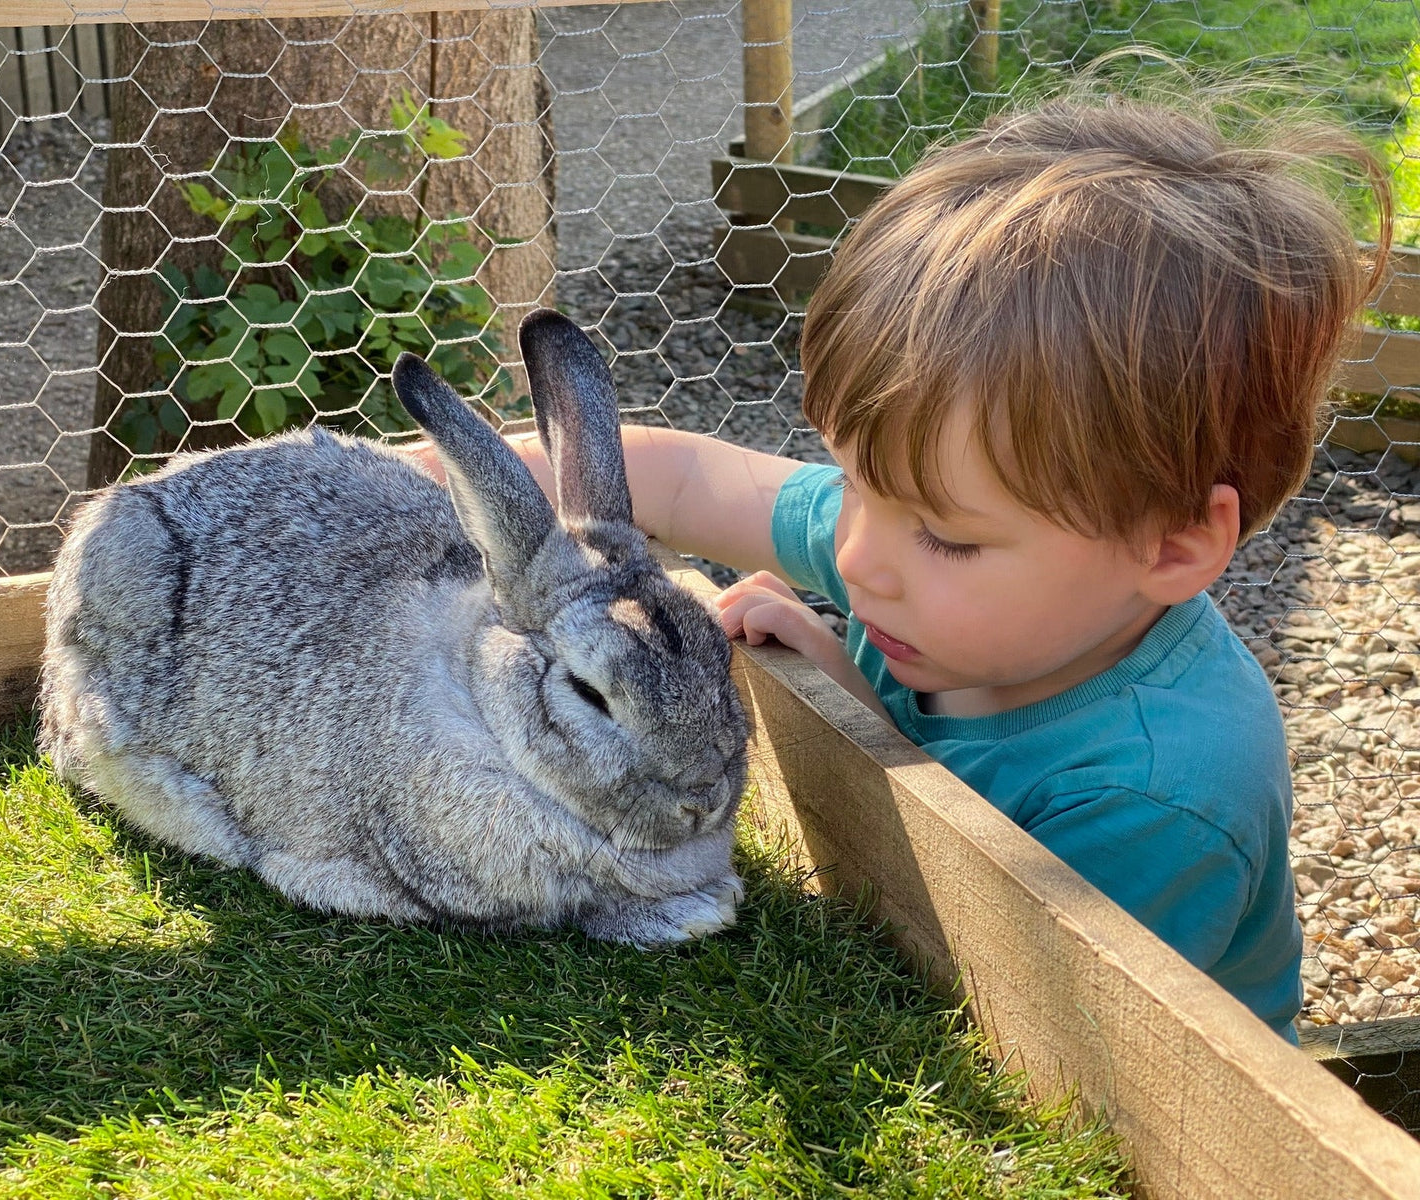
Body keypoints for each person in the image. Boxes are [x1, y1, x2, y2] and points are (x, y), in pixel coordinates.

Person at [404, 87, 1392, 1041]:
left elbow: (1024, 1029)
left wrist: (864, 738)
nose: (856, 556)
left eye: (947, 535)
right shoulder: (919, 554)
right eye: (852, 482)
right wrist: (398, 488)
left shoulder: (1155, 792)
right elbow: (685, 476)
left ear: (1171, 546)